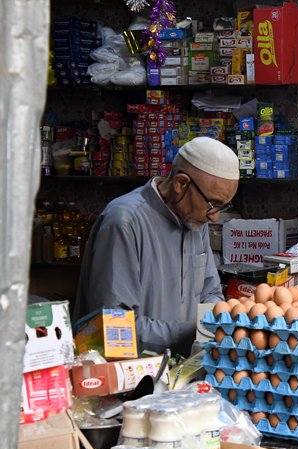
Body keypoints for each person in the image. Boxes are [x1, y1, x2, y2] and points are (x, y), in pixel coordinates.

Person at [74, 137, 238, 356]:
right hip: (128, 376)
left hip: (179, 370)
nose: (215, 216)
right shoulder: (124, 222)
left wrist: (219, 318)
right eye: (213, 204)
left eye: (222, 206)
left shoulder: (195, 219)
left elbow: (210, 291)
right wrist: (192, 333)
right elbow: (115, 328)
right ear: (181, 184)